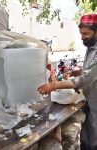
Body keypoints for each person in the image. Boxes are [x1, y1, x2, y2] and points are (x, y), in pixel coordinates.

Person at [38, 14, 97, 150]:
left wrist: (54, 85)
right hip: (90, 98)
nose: (82, 37)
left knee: (93, 140)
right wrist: (77, 71)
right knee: (87, 136)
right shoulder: (91, 45)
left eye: (86, 34)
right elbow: (90, 69)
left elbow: (85, 79)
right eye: (81, 33)